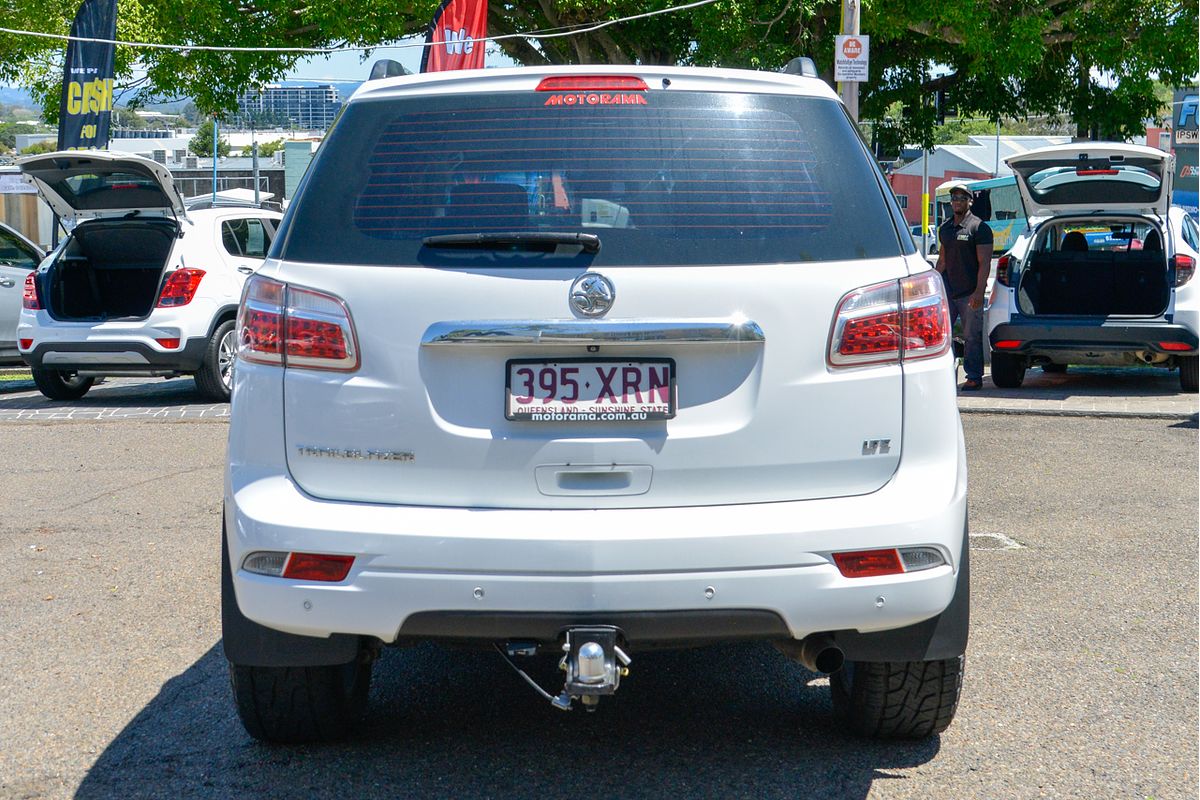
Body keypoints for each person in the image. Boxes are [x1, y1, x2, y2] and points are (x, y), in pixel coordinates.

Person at [935, 182, 994, 391]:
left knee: (971, 337)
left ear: (970, 201)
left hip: (970, 293)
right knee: (943, 337)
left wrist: (979, 292)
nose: (957, 202)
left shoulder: (979, 228)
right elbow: (942, 261)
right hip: (948, 292)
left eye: (962, 198)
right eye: (954, 198)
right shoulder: (946, 228)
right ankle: (944, 376)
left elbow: (984, 263)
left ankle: (974, 377)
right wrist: (933, 283)